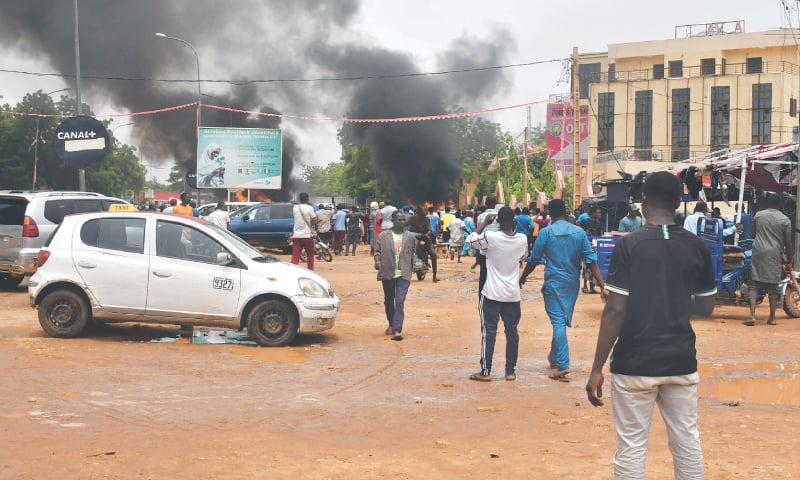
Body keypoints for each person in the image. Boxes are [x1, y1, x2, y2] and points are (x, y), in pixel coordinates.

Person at [586, 171, 716, 479]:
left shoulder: (629, 246)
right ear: (677, 202)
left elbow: (615, 311)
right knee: (686, 441)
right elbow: (707, 306)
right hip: (680, 361)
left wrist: (596, 369)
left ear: (643, 203)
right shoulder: (697, 246)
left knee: (631, 447)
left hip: (634, 364)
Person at [519, 199, 605, 382]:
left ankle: (563, 365)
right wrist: (603, 285)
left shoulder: (546, 233)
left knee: (558, 322)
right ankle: (554, 358)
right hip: (572, 284)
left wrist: (523, 277)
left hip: (553, 282)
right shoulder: (579, 232)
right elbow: (591, 260)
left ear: (550, 213)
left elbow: (534, 260)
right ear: (566, 212)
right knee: (561, 320)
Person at [466, 206, 529, 382]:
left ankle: (486, 371)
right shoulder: (522, 239)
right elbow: (523, 256)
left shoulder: (491, 236)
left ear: (497, 221)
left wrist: (483, 225)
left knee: (489, 332)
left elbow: (470, 241)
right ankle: (510, 371)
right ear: (514, 222)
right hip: (512, 294)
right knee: (512, 332)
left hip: (492, 293)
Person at [746, 194, 793, 326]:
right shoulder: (785, 220)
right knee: (772, 287)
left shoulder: (758, 215)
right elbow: (788, 242)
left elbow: (753, 234)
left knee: (754, 284)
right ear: (779, 204)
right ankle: (772, 318)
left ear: (768, 202)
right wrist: (789, 259)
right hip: (774, 254)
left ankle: (751, 315)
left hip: (758, 252)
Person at [374, 210, 416, 340]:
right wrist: (377, 261)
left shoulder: (410, 237)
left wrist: (413, 266)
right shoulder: (383, 236)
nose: (402, 222)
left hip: (404, 274)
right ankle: (391, 324)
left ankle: (397, 330)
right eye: (399, 220)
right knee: (388, 300)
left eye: (404, 220)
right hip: (388, 272)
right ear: (393, 220)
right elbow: (377, 252)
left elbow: (413, 252)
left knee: (399, 300)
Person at [476, 197, 500, 298]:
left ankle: (482, 296)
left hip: (484, 251)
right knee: (497, 275)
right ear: (496, 203)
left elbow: (479, 231)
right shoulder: (500, 215)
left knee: (483, 274)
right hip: (497, 251)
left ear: (485, 203)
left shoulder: (481, 216)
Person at [408, 208, 440, 282]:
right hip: (412, 239)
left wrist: (426, 234)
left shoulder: (426, 220)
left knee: (433, 254)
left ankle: (434, 275)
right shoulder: (412, 220)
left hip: (423, 239)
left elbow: (429, 230)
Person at [579, 206, 603, 294]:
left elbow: (599, 235)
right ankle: (585, 285)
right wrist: (586, 233)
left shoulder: (598, 223)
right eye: (598, 212)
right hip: (586, 246)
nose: (600, 214)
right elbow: (580, 233)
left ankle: (592, 287)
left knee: (594, 265)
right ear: (593, 213)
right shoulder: (585, 222)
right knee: (587, 266)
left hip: (595, 246)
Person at [291, 192, 317, 270]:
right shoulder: (309, 208)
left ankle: (292, 271)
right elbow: (315, 221)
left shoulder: (295, 207)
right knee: (310, 255)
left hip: (296, 235)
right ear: (307, 199)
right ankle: (310, 271)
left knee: (295, 256)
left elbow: (294, 216)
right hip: (307, 235)